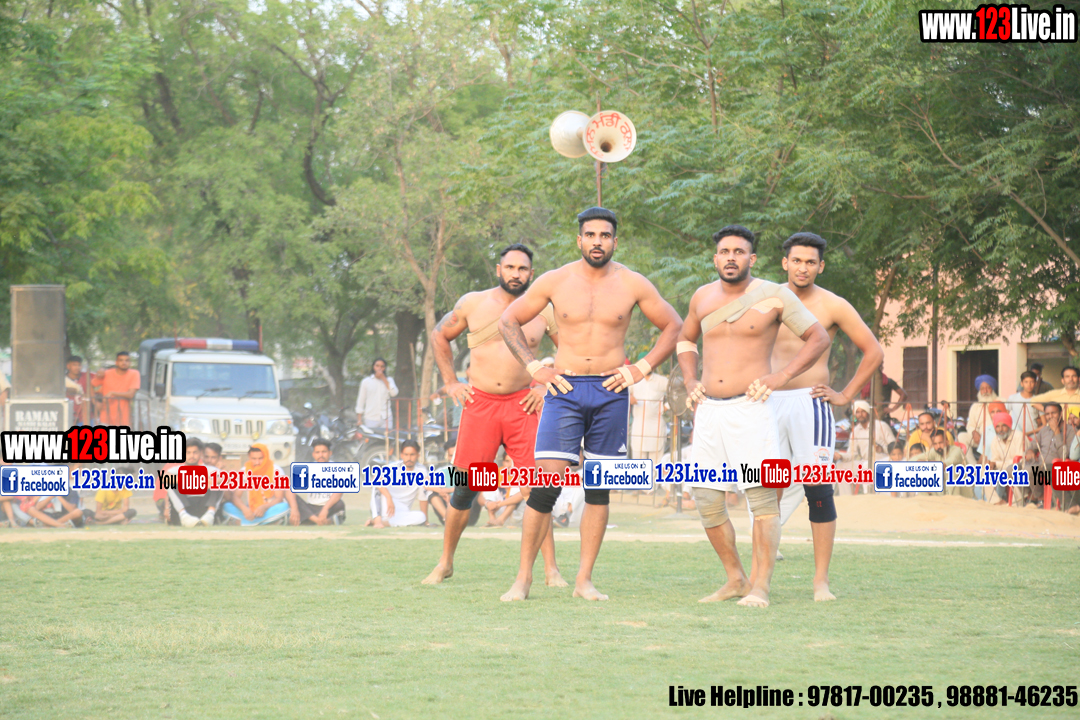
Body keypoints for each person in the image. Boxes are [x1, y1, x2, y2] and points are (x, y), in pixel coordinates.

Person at [498, 206, 683, 601]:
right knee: (544, 487)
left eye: (605, 235)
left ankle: (584, 580)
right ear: (579, 239)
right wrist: (535, 367)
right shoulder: (555, 280)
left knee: (599, 489)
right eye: (591, 235)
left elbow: (674, 325)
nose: (598, 242)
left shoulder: (633, 283)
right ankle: (523, 579)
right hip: (564, 389)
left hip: (610, 390)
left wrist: (641, 368)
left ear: (615, 241)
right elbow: (508, 320)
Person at [678, 224, 830, 608]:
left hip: (752, 409)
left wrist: (782, 376)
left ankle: (761, 587)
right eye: (724, 252)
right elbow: (685, 339)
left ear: (752, 258)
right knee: (706, 498)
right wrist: (690, 379)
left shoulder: (775, 295)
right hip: (709, 411)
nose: (731, 258)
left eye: (739, 252)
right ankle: (736, 579)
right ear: (715, 258)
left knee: (762, 499)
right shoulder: (701, 297)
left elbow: (818, 337)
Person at [422, 243, 565, 586]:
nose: (516, 274)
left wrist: (544, 387)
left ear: (531, 273)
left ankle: (551, 570)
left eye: (523, 269)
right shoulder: (472, 303)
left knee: (537, 489)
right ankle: (445, 563)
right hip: (480, 404)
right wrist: (450, 382)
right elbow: (439, 335)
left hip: (523, 405)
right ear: (499, 270)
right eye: (510, 267)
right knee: (464, 488)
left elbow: (571, 349)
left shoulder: (544, 310)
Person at [762, 231, 885, 602]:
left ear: (821, 266)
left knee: (817, 490)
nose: (803, 267)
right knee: (766, 490)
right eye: (797, 260)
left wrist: (845, 395)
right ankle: (759, 581)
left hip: (810, 403)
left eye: (810, 262)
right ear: (785, 263)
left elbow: (874, 351)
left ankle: (820, 583)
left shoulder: (833, 305)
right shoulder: (765, 298)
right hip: (768, 402)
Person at [1026, 403, 1078, 513]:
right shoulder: (1044, 430)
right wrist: (1030, 451)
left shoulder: (1070, 430)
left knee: (1031, 471)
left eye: (1053, 413)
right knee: (1011, 469)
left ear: (1061, 414)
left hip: (1055, 465)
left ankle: (1041, 499)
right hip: (1038, 463)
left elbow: (1065, 455)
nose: (1050, 417)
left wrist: (1057, 432)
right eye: (1047, 414)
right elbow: (1033, 446)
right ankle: (1034, 497)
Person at [222, 443, 289, 525]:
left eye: (260, 458)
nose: (257, 462)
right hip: (251, 511)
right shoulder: (244, 471)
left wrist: (264, 507)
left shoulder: (276, 470)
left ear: (266, 457)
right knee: (227, 506)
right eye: (254, 459)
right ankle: (263, 522)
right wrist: (244, 509)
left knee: (284, 507)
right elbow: (235, 497)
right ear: (249, 457)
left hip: (270, 509)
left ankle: (247, 522)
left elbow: (279, 498)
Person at [835, 400, 895, 487]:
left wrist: (882, 449)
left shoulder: (881, 425)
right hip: (865, 462)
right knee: (840, 465)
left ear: (868, 412)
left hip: (883, 461)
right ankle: (846, 495)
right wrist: (840, 456)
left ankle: (868, 494)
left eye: (863, 411)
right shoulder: (856, 431)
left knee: (866, 466)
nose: (860, 414)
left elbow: (894, 447)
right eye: (857, 412)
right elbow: (852, 453)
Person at [286, 439, 346, 525]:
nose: (321, 455)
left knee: (340, 504)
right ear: (313, 454)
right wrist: (294, 509)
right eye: (317, 452)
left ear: (330, 453)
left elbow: (338, 493)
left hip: (329, 507)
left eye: (324, 452)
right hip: (311, 508)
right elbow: (290, 489)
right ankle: (319, 521)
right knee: (291, 498)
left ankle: (310, 520)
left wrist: (325, 509)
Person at [165, 437, 222, 527]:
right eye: (188, 453)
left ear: (200, 453)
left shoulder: (208, 469)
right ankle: (184, 517)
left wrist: (211, 481)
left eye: (195, 452)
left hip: (204, 507)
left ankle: (210, 515)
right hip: (184, 507)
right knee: (170, 482)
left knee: (220, 483)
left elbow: (226, 478)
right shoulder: (176, 469)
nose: (192, 456)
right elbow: (165, 477)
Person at [369, 440, 427, 527]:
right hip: (386, 504)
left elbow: (423, 497)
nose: (409, 458)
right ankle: (377, 521)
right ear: (401, 455)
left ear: (418, 455)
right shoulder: (394, 467)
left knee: (421, 517)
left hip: (403, 510)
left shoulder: (422, 471)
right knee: (376, 486)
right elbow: (375, 479)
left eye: (412, 455)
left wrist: (426, 521)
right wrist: (389, 498)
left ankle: (384, 523)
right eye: (406, 455)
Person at [628, 353, 669, 464]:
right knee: (638, 466)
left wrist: (666, 407)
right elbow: (623, 393)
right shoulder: (634, 380)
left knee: (656, 466)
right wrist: (629, 397)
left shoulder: (661, 380)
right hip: (638, 428)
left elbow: (677, 392)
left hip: (656, 428)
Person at [988, 412, 1029, 505]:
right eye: (997, 426)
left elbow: (1020, 462)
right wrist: (991, 464)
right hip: (1003, 470)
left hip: (1020, 469)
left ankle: (1016, 504)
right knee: (985, 471)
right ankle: (996, 502)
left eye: (1004, 426)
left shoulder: (1019, 436)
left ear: (1009, 426)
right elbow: (995, 460)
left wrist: (996, 464)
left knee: (1014, 471)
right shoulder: (995, 440)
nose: (1000, 429)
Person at [92, 351, 141, 426]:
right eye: (121, 360)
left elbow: (131, 394)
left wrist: (112, 393)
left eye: (127, 360)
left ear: (130, 363)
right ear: (116, 362)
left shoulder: (134, 374)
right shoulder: (107, 373)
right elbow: (90, 385)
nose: (124, 363)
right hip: (105, 418)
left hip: (123, 420)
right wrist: (95, 402)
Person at [355, 359, 398, 430]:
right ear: (373, 367)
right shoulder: (366, 381)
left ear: (384, 368)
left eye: (382, 366)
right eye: (377, 366)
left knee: (386, 437)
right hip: (370, 418)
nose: (379, 368)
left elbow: (394, 393)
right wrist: (359, 419)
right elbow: (361, 401)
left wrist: (383, 378)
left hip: (386, 417)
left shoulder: (389, 380)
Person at [967, 374, 1001, 463]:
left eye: (988, 388)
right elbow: (970, 425)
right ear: (979, 391)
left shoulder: (1000, 402)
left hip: (996, 436)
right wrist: (974, 433)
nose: (985, 391)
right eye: (982, 389)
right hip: (978, 438)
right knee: (961, 437)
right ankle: (973, 465)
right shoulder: (975, 406)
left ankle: (985, 463)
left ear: (992, 389)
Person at [1006, 371, 1042, 438]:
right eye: (1026, 382)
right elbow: (1005, 416)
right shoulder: (1013, 398)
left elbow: (1044, 425)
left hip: (1033, 437)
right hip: (1015, 435)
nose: (1029, 384)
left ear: (1035, 383)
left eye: (1031, 382)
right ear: (1021, 383)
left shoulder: (1038, 400)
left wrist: (1027, 433)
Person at [65, 355, 90, 425]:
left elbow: (100, 378)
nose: (77, 367)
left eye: (79, 365)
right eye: (74, 365)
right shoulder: (62, 380)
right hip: (68, 416)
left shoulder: (87, 376)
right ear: (68, 366)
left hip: (85, 417)